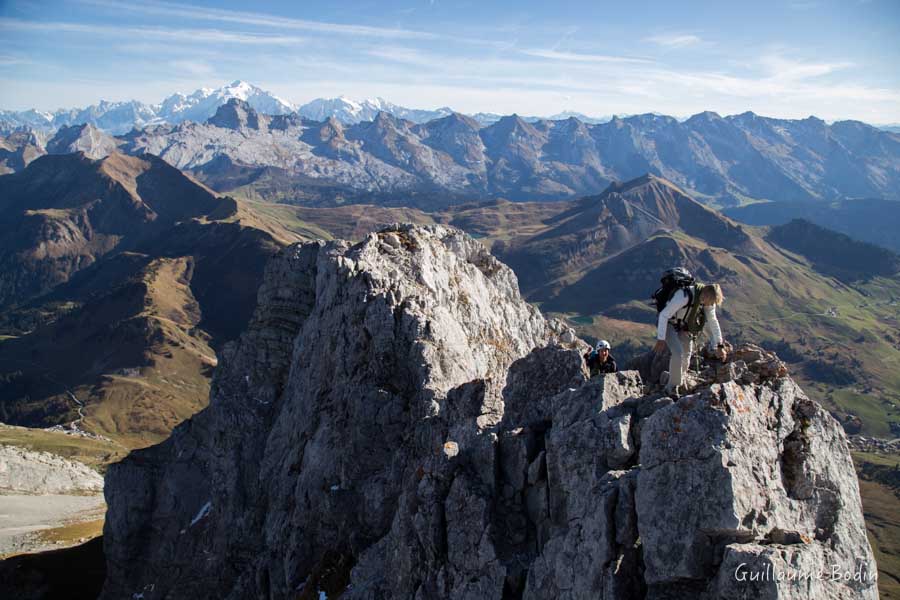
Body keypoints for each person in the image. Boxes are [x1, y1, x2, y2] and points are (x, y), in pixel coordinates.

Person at [651, 268, 726, 395]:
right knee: (678, 352)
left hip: (683, 326)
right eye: (710, 302)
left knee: (686, 354)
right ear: (705, 295)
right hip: (668, 323)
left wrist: (719, 345)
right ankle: (671, 389)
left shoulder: (707, 302)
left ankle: (677, 380)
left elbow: (713, 322)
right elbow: (664, 315)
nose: (710, 305)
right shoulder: (684, 295)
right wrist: (661, 339)